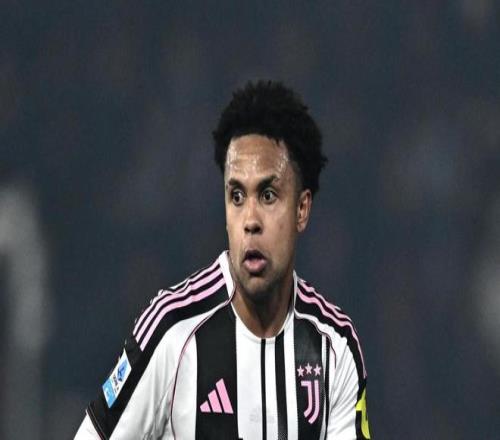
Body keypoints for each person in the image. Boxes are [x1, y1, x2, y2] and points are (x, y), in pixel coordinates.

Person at [75, 80, 370, 439]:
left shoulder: (334, 346)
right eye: (237, 196)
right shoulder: (173, 329)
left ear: (302, 209)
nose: (250, 221)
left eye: (268, 195)